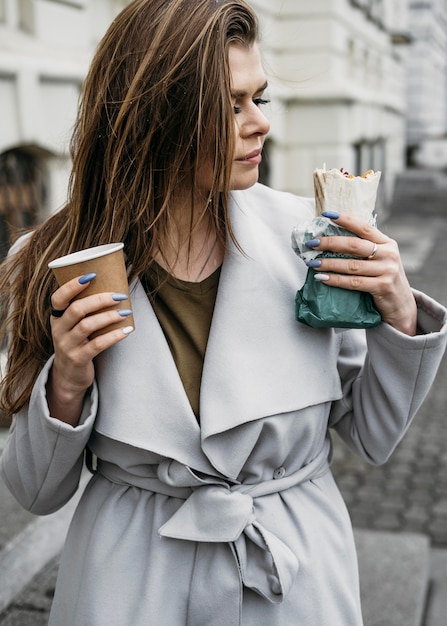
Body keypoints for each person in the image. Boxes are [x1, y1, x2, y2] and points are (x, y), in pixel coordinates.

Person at [1, 0, 446, 624]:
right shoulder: (60, 262)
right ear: (162, 115)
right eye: (231, 105)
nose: (259, 123)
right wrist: (68, 382)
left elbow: (371, 435)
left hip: (291, 578)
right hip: (130, 584)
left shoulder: (308, 237)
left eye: (259, 99)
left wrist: (399, 315)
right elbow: (35, 490)